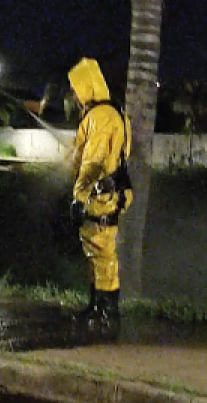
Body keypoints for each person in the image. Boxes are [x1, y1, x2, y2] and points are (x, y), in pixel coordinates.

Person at [68, 58, 133, 341]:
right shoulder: (111, 111)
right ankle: (97, 307)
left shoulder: (99, 117)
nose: (73, 94)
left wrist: (79, 195)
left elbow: (93, 163)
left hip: (101, 193)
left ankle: (108, 311)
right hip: (111, 191)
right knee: (96, 249)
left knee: (103, 250)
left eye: (75, 88)